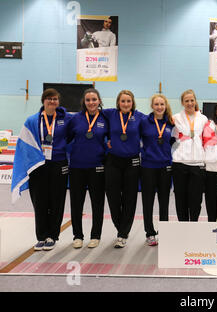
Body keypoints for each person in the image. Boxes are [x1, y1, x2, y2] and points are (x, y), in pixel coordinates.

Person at [11, 88, 72, 251]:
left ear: (59, 102)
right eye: (49, 99)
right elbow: (24, 143)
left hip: (59, 164)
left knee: (57, 201)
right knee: (40, 202)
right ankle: (41, 236)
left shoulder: (66, 119)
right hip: (38, 166)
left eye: (55, 99)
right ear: (43, 101)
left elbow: (77, 134)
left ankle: (52, 235)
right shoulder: (32, 120)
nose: (52, 102)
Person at [103, 90, 145, 248]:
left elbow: (156, 123)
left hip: (132, 162)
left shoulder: (140, 117)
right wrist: (106, 139)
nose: (126, 104)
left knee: (130, 198)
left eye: (128, 101)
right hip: (113, 161)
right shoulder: (110, 114)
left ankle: (123, 233)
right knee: (113, 197)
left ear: (132, 102)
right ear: (118, 103)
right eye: (123, 101)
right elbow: (92, 116)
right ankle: (120, 227)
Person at [67, 88, 108, 249]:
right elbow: (66, 138)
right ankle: (77, 235)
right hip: (77, 166)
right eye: (88, 100)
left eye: (94, 99)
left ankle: (95, 235)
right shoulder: (75, 119)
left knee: (97, 203)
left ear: (99, 101)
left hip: (97, 167)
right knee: (76, 203)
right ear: (84, 102)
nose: (91, 103)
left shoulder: (105, 118)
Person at [140, 94, 175, 246]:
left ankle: (165, 231)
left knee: (164, 201)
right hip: (148, 166)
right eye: (156, 104)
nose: (159, 107)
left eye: (162, 104)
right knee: (147, 201)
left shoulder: (171, 123)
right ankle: (150, 233)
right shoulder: (144, 122)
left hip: (165, 167)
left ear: (165, 106)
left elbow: (174, 141)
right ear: (152, 106)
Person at [171, 89, 209, 221]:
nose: (189, 103)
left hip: (197, 164)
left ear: (195, 101)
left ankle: (193, 224)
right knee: (180, 198)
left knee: (196, 199)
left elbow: (208, 140)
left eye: (192, 100)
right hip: (179, 163)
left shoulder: (203, 119)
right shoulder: (175, 118)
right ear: (182, 103)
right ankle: (182, 225)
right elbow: (171, 139)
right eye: (186, 101)